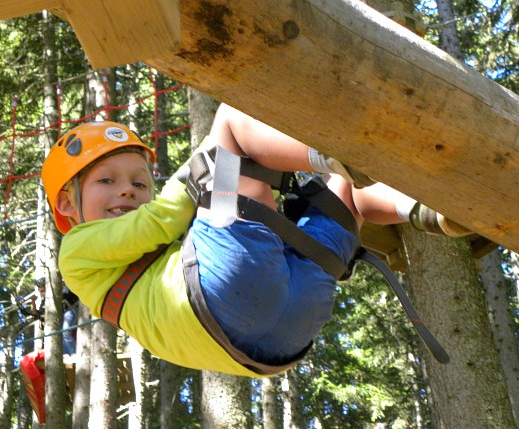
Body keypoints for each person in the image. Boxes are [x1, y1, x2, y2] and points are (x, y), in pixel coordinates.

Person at [41, 104, 468, 377]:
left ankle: (431, 211)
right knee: (229, 129)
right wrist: (204, 164)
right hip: (219, 292)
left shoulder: (131, 265)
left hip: (285, 338)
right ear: (67, 202)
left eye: (138, 181)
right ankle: (333, 149)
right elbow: (161, 220)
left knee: (344, 194)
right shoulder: (77, 250)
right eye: (107, 180)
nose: (128, 190)